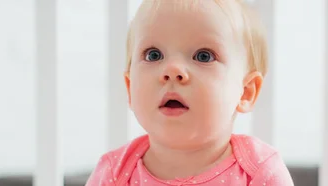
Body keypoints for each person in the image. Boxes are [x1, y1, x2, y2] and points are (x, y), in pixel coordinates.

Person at [85, 0, 293, 185]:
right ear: (130, 88)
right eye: (153, 55)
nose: (172, 70)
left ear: (245, 92)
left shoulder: (259, 172)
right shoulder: (114, 173)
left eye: (203, 56)